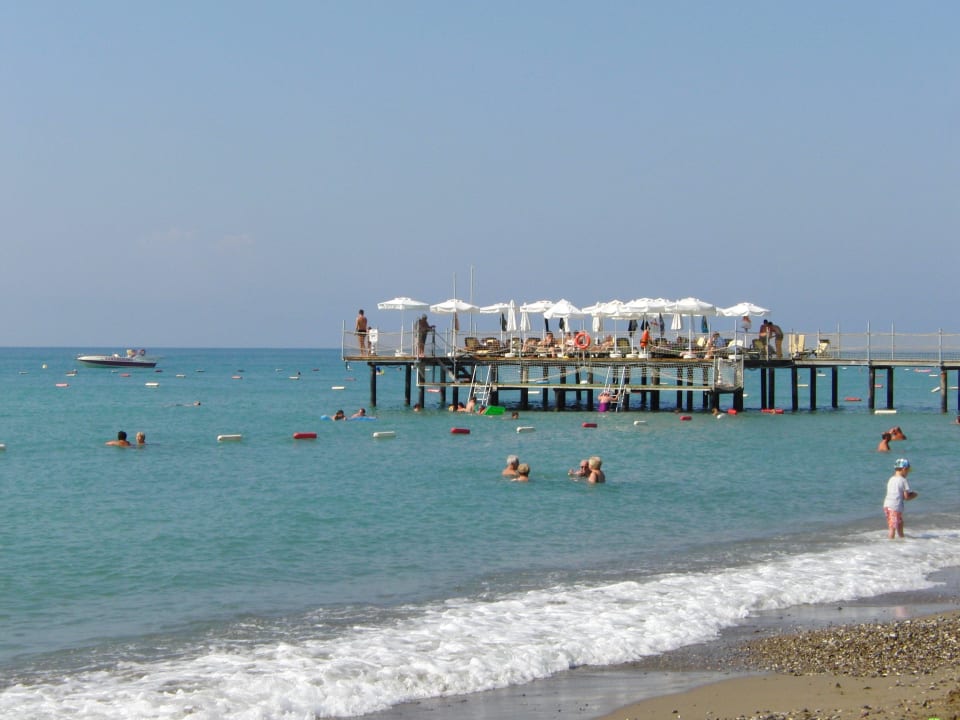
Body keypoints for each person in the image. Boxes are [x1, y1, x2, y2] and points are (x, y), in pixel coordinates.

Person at [883, 458, 917, 539]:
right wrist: (914, 495)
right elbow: (906, 497)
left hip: (887, 505)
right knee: (892, 528)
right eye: (908, 471)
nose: (908, 473)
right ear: (904, 469)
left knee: (899, 524)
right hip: (895, 507)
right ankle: (891, 542)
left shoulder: (891, 479)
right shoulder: (903, 480)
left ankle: (902, 539)